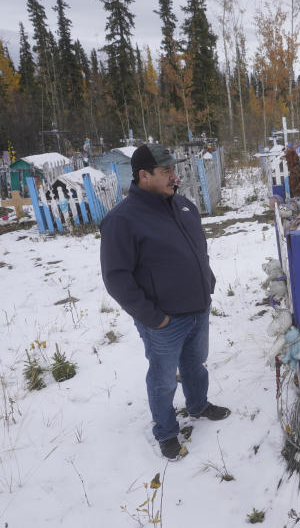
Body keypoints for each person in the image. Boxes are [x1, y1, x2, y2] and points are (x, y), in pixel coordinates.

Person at [100, 143, 230, 461]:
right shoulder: (122, 220)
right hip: (164, 320)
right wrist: (153, 317)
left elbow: (198, 250)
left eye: (175, 168)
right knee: (162, 379)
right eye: (166, 171)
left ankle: (198, 405)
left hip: (198, 308)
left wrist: (207, 281)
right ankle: (167, 431)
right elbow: (116, 278)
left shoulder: (184, 206)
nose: (175, 175)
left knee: (195, 365)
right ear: (144, 175)